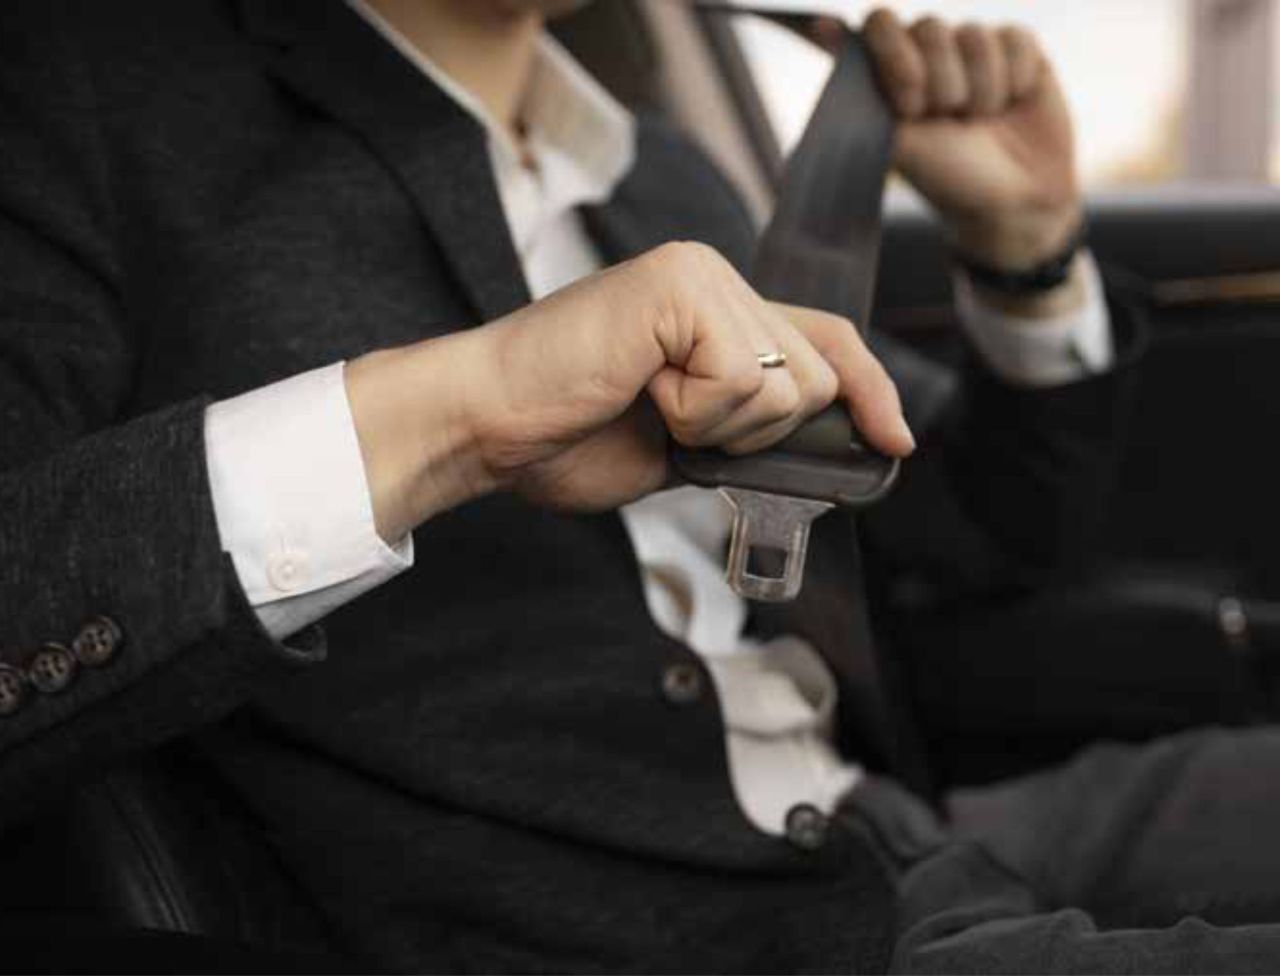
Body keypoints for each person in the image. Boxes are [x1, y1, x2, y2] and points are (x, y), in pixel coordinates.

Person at [2, 0, 1277, 972]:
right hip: (646, 928)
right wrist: (458, 412)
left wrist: (1025, 258)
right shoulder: (82, 92)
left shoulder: (660, 172)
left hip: (898, 832)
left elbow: (977, 525)